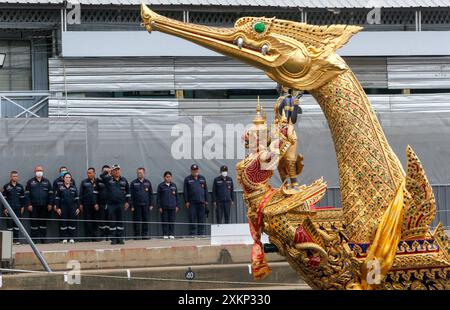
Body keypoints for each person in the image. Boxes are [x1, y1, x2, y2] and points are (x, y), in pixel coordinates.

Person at [24, 165, 53, 244]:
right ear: (35, 172)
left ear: (43, 172)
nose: (39, 172)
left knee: (43, 223)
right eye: (37, 170)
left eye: (40, 170)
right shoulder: (30, 182)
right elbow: (27, 195)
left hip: (44, 206)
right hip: (33, 206)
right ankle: (34, 240)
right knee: (34, 223)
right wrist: (29, 204)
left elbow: (51, 194)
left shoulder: (47, 182)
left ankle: (43, 240)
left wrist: (50, 204)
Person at [104, 164, 130, 245]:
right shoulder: (108, 179)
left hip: (121, 204)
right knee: (112, 222)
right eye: (115, 170)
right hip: (111, 205)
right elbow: (100, 177)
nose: (117, 171)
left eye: (118, 169)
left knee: (120, 222)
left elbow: (128, 192)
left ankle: (120, 238)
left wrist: (127, 202)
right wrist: (107, 172)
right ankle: (114, 239)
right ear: (112, 171)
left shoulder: (124, 180)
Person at [183, 164, 209, 237]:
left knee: (201, 218)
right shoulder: (187, 179)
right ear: (191, 171)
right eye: (194, 170)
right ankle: (192, 234)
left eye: (196, 170)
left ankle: (201, 233)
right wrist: (186, 201)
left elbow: (205, 190)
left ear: (198, 170)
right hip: (192, 203)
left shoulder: (202, 178)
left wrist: (206, 200)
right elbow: (185, 191)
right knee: (192, 218)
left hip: (201, 202)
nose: (195, 171)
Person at [55, 173, 80, 244]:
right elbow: (57, 198)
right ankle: (64, 238)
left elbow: (77, 198)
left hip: (72, 207)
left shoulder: (74, 187)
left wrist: (78, 207)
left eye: (69, 177)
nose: (68, 178)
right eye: (66, 177)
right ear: (63, 178)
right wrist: (58, 208)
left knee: (72, 222)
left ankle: (71, 238)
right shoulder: (60, 187)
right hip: (63, 207)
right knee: (63, 222)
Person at [1, 171, 25, 244]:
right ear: (11, 177)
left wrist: (22, 207)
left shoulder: (20, 187)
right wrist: (4, 208)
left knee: (17, 225)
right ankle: (9, 241)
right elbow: (3, 199)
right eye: (14, 176)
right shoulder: (6, 186)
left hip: (18, 208)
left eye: (16, 176)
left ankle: (16, 240)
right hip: (9, 209)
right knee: (10, 225)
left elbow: (22, 198)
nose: (15, 177)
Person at [130, 167, 153, 240]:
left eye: (140, 173)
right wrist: (132, 205)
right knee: (136, 220)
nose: (139, 174)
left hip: (146, 205)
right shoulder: (133, 183)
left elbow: (150, 194)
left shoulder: (148, 182)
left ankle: (144, 235)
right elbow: (131, 195)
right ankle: (137, 235)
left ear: (144, 173)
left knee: (145, 220)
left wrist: (151, 204)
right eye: (138, 173)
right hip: (136, 205)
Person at [156, 171, 179, 239]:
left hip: (172, 207)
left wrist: (177, 206)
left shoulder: (174, 185)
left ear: (171, 177)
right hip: (164, 207)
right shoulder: (161, 186)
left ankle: (171, 234)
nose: (168, 178)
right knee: (165, 221)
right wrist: (159, 207)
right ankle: (165, 234)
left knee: (172, 221)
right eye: (167, 177)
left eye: (169, 177)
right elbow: (158, 197)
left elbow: (177, 197)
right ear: (164, 177)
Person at [79, 168, 99, 242]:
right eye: (88, 173)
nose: (89, 174)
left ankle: (95, 237)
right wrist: (80, 204)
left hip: (96, 205)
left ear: (94, 173)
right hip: (87, 204)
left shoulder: (98, 181)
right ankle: (88, 237)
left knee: (95, 220)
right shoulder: (84, 182)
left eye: (90, 173)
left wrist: (97, 203)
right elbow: (81, 193)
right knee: (88, 221)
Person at [96, 165, 111, 240]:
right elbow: (95, 192)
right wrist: (95, 203)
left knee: (109, 219)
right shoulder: (98, 179)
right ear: (102, 171)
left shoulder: (112, 179)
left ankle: (108, 236)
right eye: (104, 171)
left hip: (110, 203)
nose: (106, 173)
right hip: (101, 203)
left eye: (107, 171)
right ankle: (102, 235)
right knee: (101, 219)